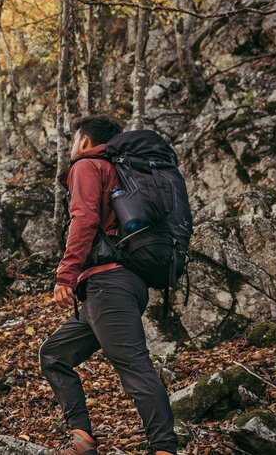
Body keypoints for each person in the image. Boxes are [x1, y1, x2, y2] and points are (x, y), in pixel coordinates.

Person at [37, 114, 177, 455]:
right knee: (54, 354)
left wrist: (65, 274)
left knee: (133, 365)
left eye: (74, 140)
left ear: (85, 141)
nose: (72, 147)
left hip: (107, 284)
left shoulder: (87, 166)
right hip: (124, 284)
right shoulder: (122, 170)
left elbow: (84, 218)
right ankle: (82, 438)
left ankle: (164, 447)